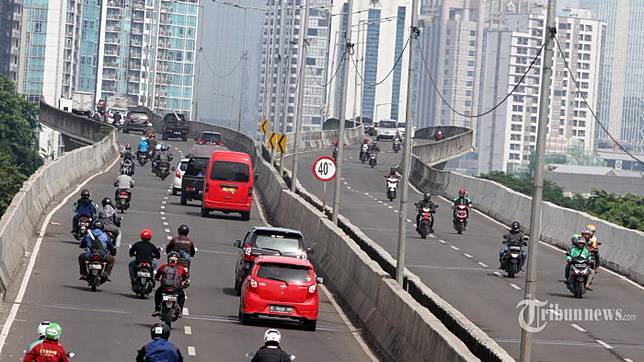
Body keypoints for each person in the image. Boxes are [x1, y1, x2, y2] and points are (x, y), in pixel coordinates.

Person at [152, 252, 188, 317]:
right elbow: (184, 277)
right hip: (176, 288)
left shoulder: (163, 267)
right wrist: (181, 281)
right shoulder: (181, 268)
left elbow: (157, 276)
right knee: (182, 295)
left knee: (157, 293)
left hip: (164, 287)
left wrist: (158, 279)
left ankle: (157, 309)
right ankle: (180, 310)